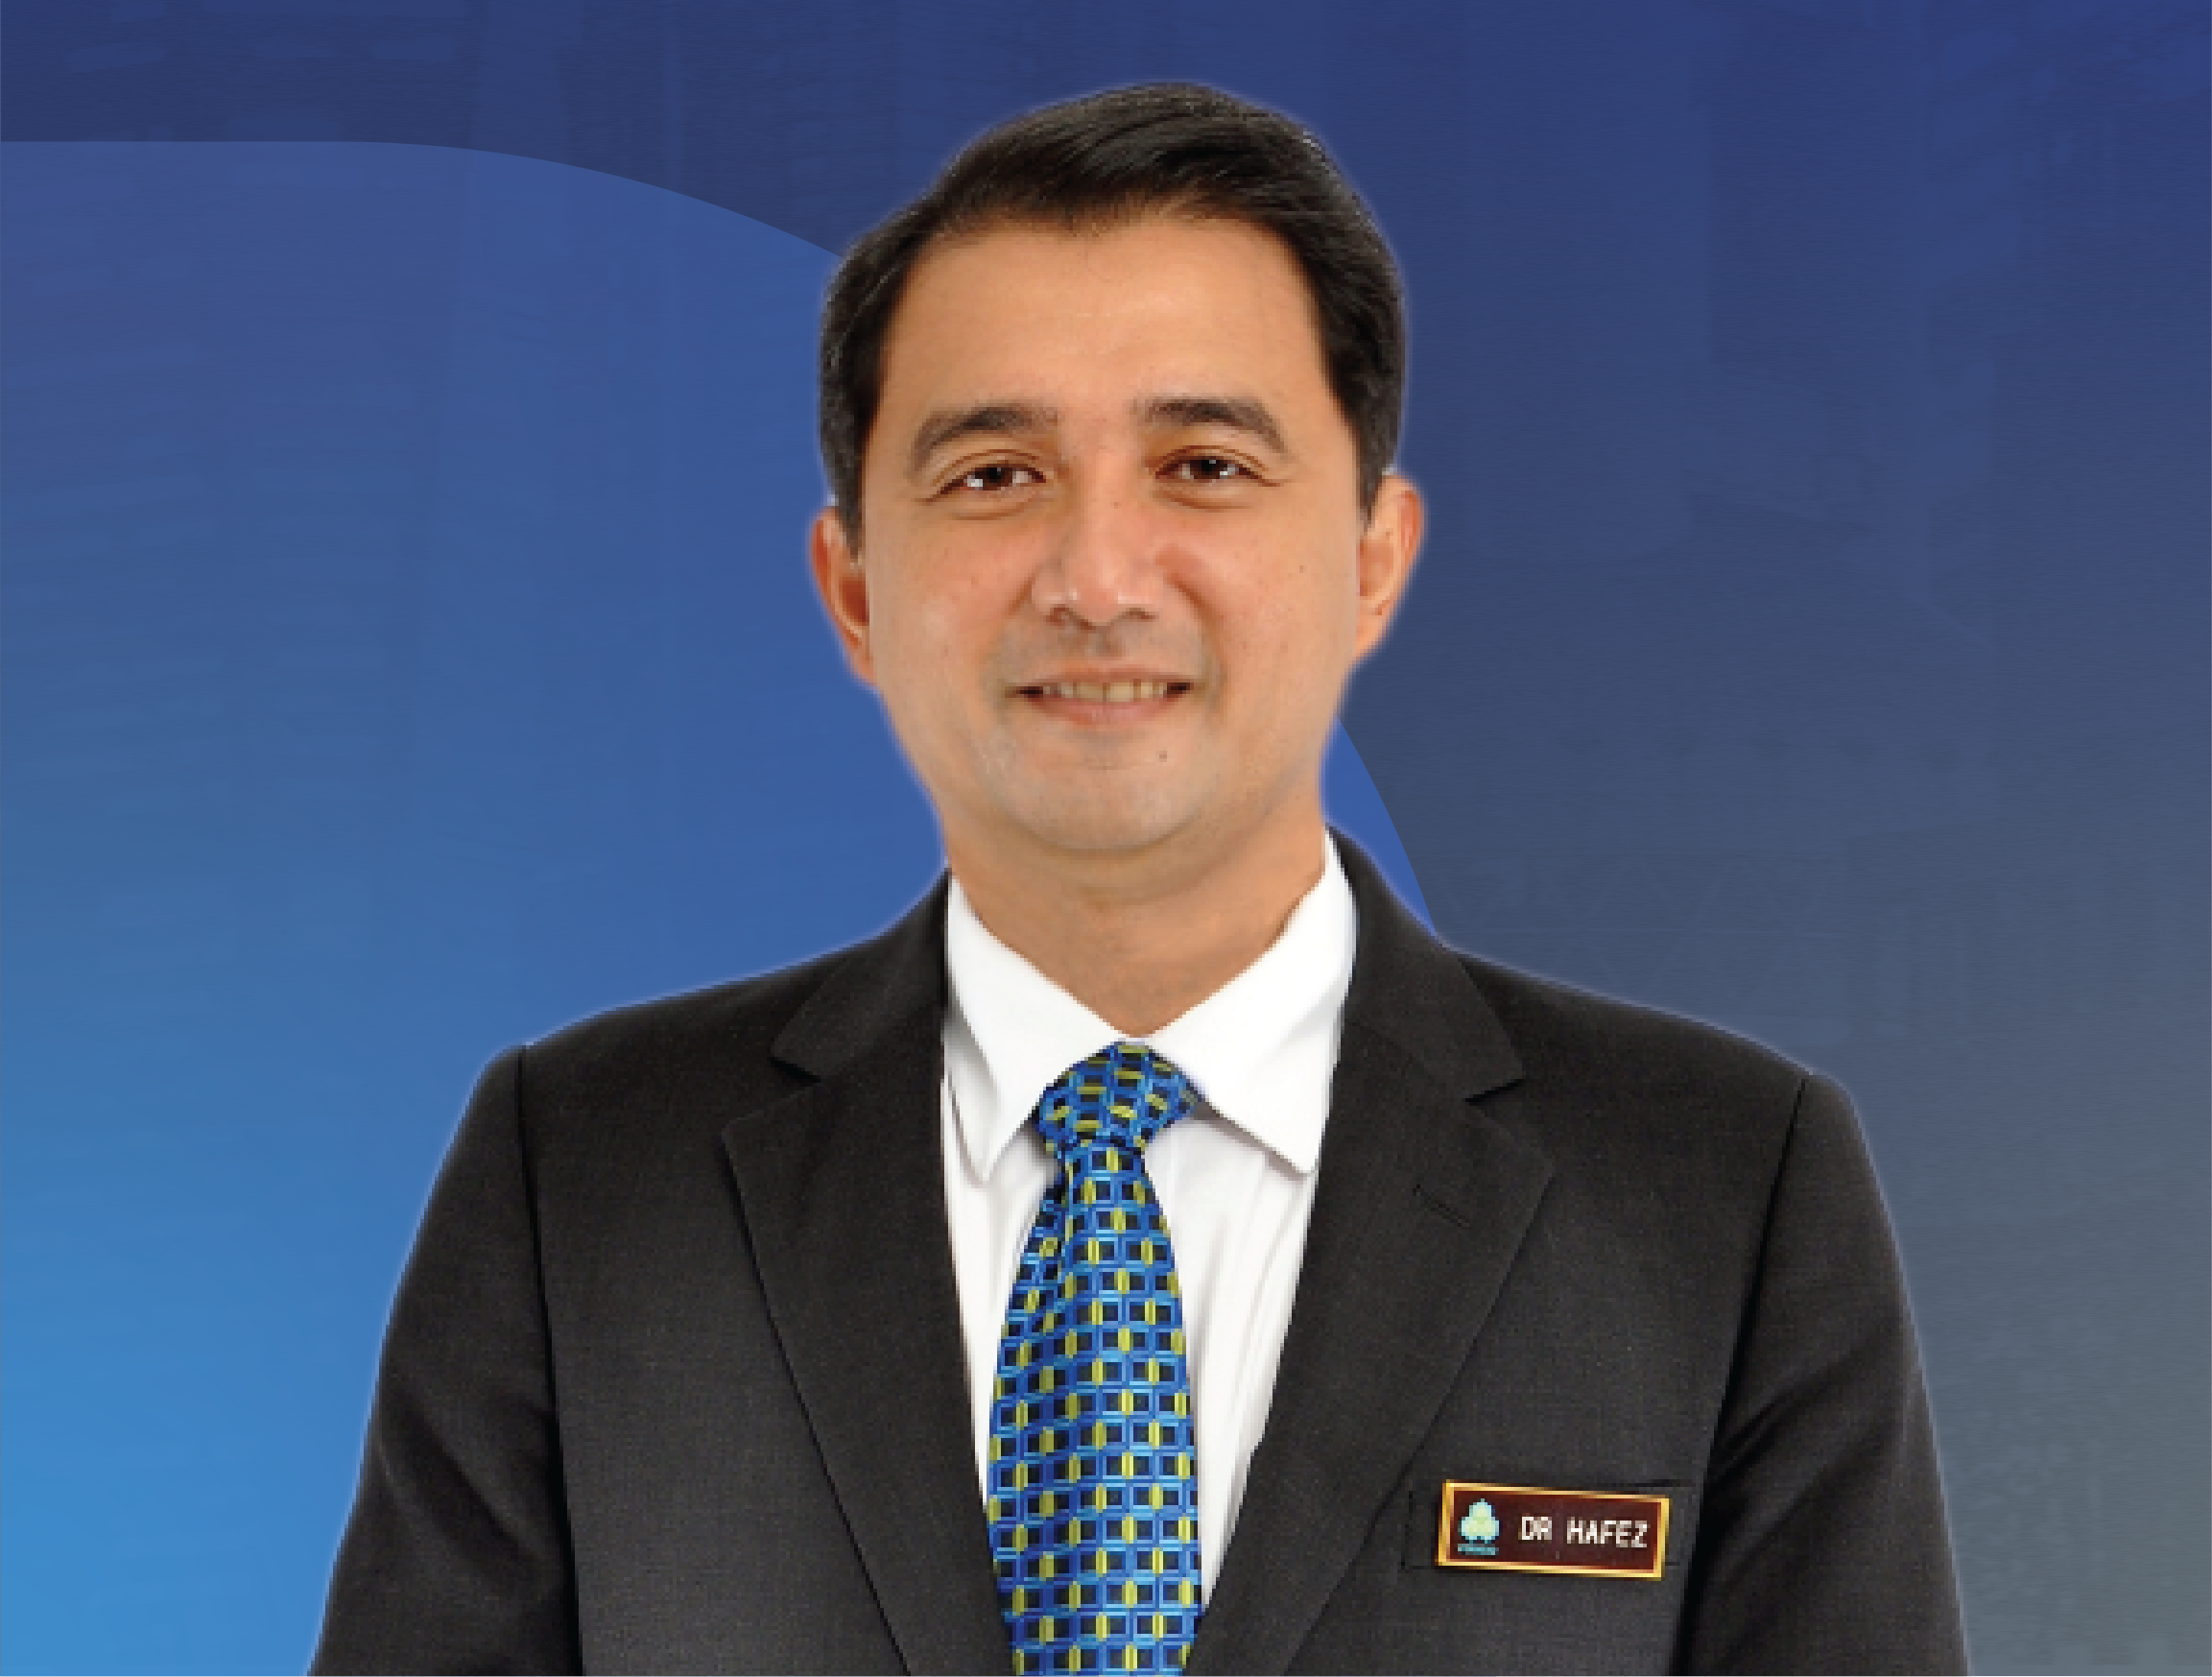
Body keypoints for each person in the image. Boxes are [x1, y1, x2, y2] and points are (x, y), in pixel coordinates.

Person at [313, 84, 1966, 1675]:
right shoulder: (585, 1179)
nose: (1097, 578)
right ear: (855, 588)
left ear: (1375, 555)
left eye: (1204, 465)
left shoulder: (1722, 1193)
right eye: (993, 474)